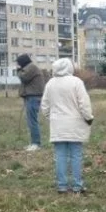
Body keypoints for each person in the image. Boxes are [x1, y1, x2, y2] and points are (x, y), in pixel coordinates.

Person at [41, 58, 94, 194]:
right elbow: (84, 103)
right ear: (70, 67)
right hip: (75, 123)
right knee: (76, 155)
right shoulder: (76, 82)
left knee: (60, 155)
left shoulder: (50, 84)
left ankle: (62, 186)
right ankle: (77, 185)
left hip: (58, 124)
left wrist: (51, 118)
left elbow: (45, 106)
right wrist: (88, 118)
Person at [16, 54, 46, 151]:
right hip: (31, 97)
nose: (18, 65)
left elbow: (23, 78)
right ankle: (34, 142)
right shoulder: (29, 67)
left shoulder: (31, 67)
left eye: (19, 63)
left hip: (33, 97)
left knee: (32, 121)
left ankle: (36, 143)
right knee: (31, 120)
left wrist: (18, 70)